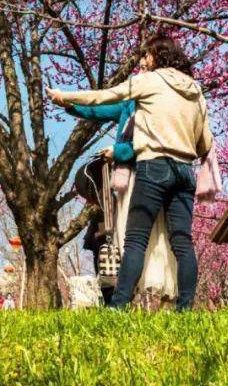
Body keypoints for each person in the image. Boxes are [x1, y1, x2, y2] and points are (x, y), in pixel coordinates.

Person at [48, 35, 214, 311]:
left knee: (135, 239)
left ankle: (119, 305)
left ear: (157, 56)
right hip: (185, 171)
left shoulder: (150, 80)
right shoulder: (195, 90)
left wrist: (66, 96)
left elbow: (105, 96)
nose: (142, 61)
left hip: (153, 166)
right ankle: (186, 310)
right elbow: (205, 143)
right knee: (183, 243)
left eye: (146, 56)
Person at [70, 100, 178, 306]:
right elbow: (98, 108)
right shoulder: (129, 105)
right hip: (133, 183)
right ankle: (130, 300)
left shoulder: (161, 107)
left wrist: (118, 152)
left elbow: (147, 143)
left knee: (145, 241)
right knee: (134, 243)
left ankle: (129, 302)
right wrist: (69, 103)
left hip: (149, 177)